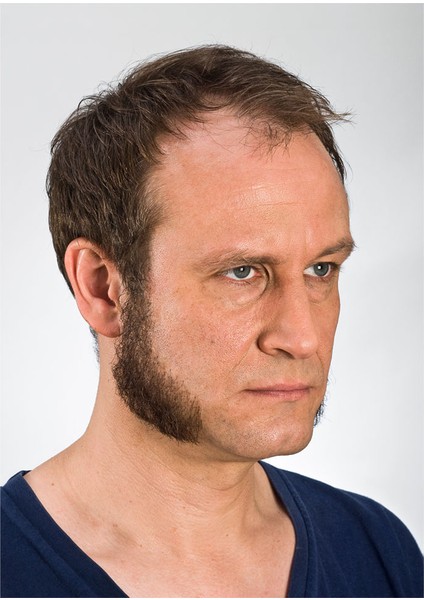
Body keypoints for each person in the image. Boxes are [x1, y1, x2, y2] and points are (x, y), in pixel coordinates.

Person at [1, 45, 422, 598]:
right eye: (241, 272)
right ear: (103, 288)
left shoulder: (379, 551)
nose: (303, 337)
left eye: (321, 268)